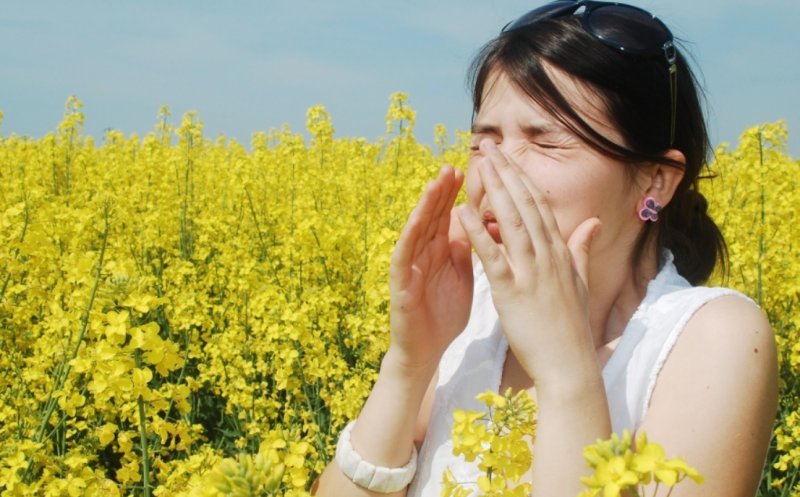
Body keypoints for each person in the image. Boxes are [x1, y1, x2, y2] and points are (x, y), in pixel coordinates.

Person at [314, 1, 778, 496]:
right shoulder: (473, 322)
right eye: (482, 143)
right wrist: (409, 364)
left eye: (546, 142)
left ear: (655, 181)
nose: (495, 172)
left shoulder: (713, 338)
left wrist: (565, 374)